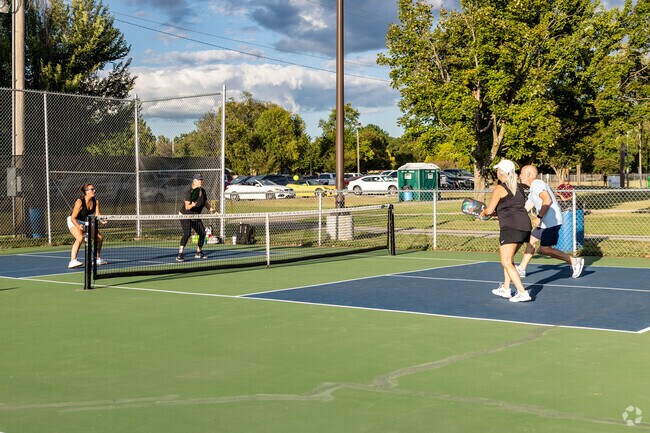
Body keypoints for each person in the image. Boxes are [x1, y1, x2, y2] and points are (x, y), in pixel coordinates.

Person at [478, 159, 532, 303]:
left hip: (511, 227)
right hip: (525, 227)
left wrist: (482, 213)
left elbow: (489, 210)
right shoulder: (519, 187)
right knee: (509, 259)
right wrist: (497, 212)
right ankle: (506, 289)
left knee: (506, 261)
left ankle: (522, 292)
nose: (496, 172)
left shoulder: (500, 188)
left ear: (502, 173)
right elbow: (511, 206)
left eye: (497, 170)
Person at [516, 165, 584, 279]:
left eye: (521, 173)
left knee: (545, 249)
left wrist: (539, 216)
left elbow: (547, 199)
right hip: (544, 223)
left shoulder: (537, 184)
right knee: (531, 242)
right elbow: (527, 206)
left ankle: (574, 261)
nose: (520, 176)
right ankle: (522, 269)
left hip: (552, 221)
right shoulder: (533, 188)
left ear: (528, 174)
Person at [177, 173, 217, 262]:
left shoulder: (203, 191)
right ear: (194, 181)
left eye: (201, 180)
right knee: (187, 234)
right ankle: (180, 254)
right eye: (199, 180)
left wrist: (212, 210)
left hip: (195, 215)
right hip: (185, 215)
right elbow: (187, 207)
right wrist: (192, 204)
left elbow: (205, 203)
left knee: (202, 233)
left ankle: (199, 252)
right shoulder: (189, 192)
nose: (201, 181)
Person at [67, 183, 106, 268]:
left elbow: (97, 215)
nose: (94, 191)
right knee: (80, 238)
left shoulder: (96, 201)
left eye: (94, 189)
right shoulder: (79, 202)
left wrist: (101, 220)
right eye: (92, 189)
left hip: (86, 221)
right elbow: (73, 217)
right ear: (86, 191)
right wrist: (78, 226)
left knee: (99, 238)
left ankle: (97, 259)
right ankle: (72, 261)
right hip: (74, 220)